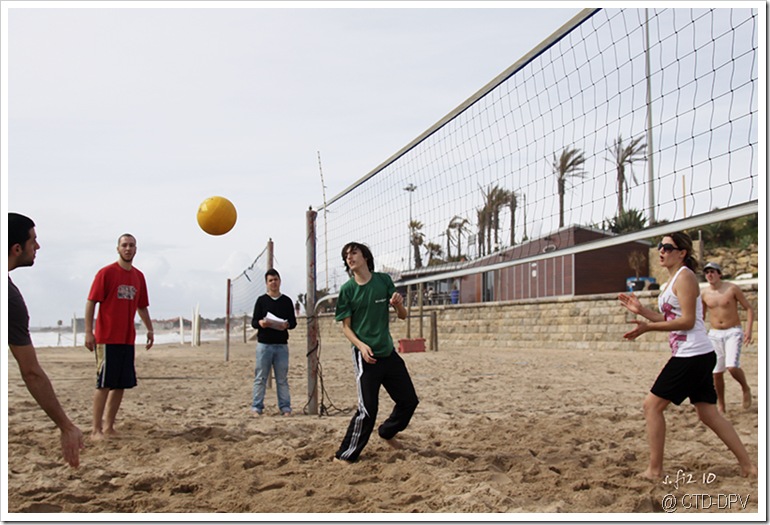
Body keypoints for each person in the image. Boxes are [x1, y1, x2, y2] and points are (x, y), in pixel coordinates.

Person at [618, 232, 755, 479]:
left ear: (682, 253)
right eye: (659, 246)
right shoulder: (673, 280)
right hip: (698, 353)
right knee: (709, 414)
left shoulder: (685, 277)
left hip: (691, 354)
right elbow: (670, 318)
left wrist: (647, 328)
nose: (661, 250)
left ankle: (655, 470)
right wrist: (642, 311)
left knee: (652, 406)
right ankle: (749, 466)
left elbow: (688, 321)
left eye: (667, 247)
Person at [8, 213, 84, 467]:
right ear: (16, 249)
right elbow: (31, 372)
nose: (37, 247)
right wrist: (66, 426)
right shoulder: (9, 300)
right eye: (33, 241)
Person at [334, 242, 419, 463]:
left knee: (409, 401)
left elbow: (402, 315)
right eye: (346, 256)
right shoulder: (347, 290)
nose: (349, 257)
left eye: (353, 253)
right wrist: (361, 346)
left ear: (365, 257)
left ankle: (387, 432)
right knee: (367, 411)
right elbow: (346, 327)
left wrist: (398, 304)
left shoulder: (383, 281)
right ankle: (344, 456)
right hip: (366, 356)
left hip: (387, 352)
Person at [85, 233, 154, 440]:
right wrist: (89, 332)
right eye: (124, 245)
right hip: (107, 338)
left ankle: (109, 427)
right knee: (104, 384)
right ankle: (95, 429)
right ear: (118, 249)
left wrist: (150, 329)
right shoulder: (106, 273)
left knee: (121, 384)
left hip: (127, 338)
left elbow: (141, 306)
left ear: (136, 249)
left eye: (132, 245)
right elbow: (91, 302)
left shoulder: (138, 276)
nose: (128, 249)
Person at [701, 261, 755, 413]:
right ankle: (721, 405)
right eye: (707, 272)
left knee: (731, 366)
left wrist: (748, 330)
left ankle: (745, 388)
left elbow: (749, 308)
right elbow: (701, 315)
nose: (710, 275)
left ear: (719, 274)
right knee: (716, 372)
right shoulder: (704, 293)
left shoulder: (731, 289)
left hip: (732, 331)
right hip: (715, 333)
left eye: (712, 271)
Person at [250, 269, 297, 416]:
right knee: (261, 377)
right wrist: (261, 323)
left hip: (281, 345)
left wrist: (286, 325)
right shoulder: (261, 300)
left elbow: (293, 322)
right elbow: (254, 322)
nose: (273, 283)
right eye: (270, 280)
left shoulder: (286, 301)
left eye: (275, 279)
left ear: (280, 281)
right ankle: (257, 406)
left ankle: (285, 407)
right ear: (266, 283)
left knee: (282, 379)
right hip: (264, 345)